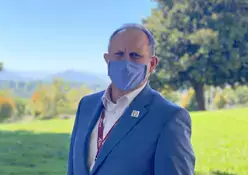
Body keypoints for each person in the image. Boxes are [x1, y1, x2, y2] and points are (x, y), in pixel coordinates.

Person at [67, 23, 195, 175]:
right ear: (107, 60)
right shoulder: (86, 106)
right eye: (119, 54)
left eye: (135, 56)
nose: (126, 63)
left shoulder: (169, 118)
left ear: (152, 64)